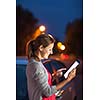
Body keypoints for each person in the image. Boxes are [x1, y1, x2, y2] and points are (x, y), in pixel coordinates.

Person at [26, 33, 76, 100]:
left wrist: (53, 76)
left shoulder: (36, 63)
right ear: (41, 48)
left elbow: (40, 82)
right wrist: (68, 79)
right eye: (49, 49)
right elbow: (47, 92)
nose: (51, 52)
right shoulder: (36, 66)